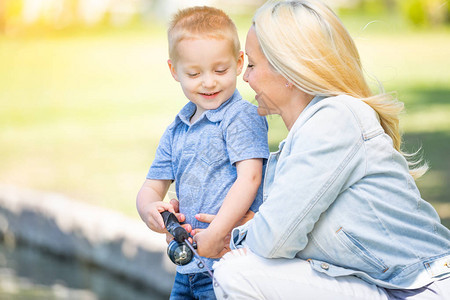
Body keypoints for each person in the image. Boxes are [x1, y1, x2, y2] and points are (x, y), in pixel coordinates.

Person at [182, 1, 450, 299]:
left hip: (424, 288)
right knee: (242, 270)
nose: (245, 78)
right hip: (383, 286)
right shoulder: (303, 138)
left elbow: (274, 240)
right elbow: (282, 234)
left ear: (288, 70)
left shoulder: (336, 120)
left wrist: (227, 235)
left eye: (254, 65)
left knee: (237, 272)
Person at [136, 6, 270, 300]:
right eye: (194, 73)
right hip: (188, 270)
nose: (208, 82)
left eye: (220, 70)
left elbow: (250, 178)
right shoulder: (177, 129)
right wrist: (149, 210)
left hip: (232, 263)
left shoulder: (240, 117)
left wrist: (218, 232)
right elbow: (152, 186)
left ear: (238, 63)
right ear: (174, 71)